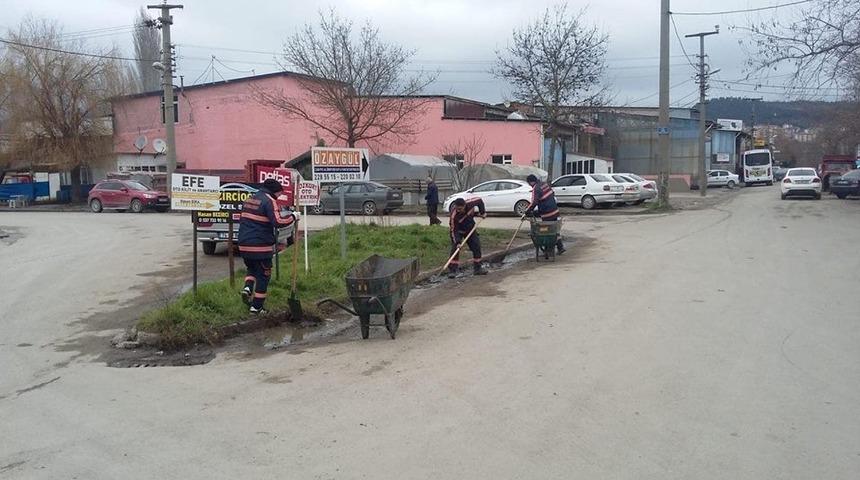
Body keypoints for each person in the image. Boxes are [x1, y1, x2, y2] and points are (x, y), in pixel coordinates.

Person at [238, 179, 298, 314]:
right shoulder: (269, 201)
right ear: (275, 191)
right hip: (260, 245)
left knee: (252, 268)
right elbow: (278, 221)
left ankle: (247, 289)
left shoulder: (250, 199)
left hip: (243, 244)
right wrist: (293, 217)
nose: (279, 196)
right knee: (264, 275)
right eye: (279, 194)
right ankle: (257, 307)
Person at [448, 197, 488, 278]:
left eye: (460, 209)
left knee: (476, 246)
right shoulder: (454, 216)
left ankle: (477, 268)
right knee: (455, 249)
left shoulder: (471, 203)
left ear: (464, 205)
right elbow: (454, 230)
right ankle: (452, 270)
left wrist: (482, 212)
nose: (458, 210)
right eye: (457, 209)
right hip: (458, 231)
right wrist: (458, 242)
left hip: (470, 228)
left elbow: (480, 200)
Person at [525, 174, 565, 255]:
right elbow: (551, 194)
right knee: (554, 230)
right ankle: (560, 247)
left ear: (531, 182)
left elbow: (534, 202)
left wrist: (527, 211)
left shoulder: (536, 188)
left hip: (547, 213)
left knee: (547, 231)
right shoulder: (544, 184)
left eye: (529, 184)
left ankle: (548, 250)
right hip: (554, 210)